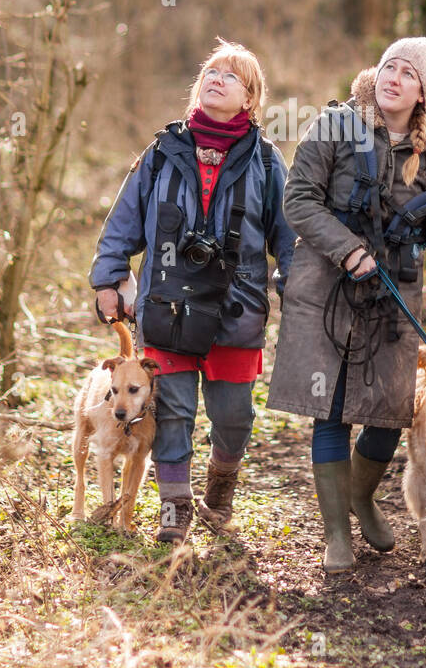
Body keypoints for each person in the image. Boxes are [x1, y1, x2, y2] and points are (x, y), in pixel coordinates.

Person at [267, 37, 426, 573]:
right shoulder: (334, 126)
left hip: (392, 293)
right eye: (388, 67)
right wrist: (348, 249)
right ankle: (337, 535)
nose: (393, 77)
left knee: (389, 411)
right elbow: (299, 200)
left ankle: (360, 496)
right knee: (329, 409)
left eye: (407, 73)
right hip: (325, 285)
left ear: (424, 92)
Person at [89, 41, 294, 545]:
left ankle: (220, 487)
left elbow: (288, 237)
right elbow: (124, 221)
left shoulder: (266, 162)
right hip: (166, 305)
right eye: (211, 71)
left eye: (232, 75)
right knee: (174, 410)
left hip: (237, 306)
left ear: (250, 99)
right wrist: (108, 278)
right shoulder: (161, 154)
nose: (217, 78)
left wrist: (296, 289)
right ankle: (174, 508)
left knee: (234, 415)